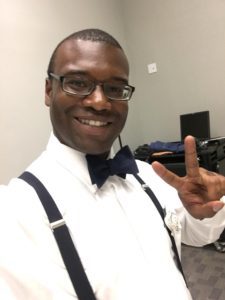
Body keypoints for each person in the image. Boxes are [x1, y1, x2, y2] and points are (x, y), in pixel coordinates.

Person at [1, 28, 225, 300]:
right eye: (77, 83)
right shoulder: (15, 214)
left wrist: (207, 211)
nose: (100, 102)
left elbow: (197, 234)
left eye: (115, 88)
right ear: (49, 90)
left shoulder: (146, 175)